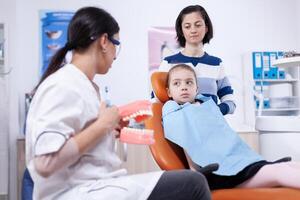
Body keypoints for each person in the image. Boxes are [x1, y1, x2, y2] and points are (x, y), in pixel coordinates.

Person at [25, 6, 211, 200]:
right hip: (77, 192)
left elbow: (79, 138)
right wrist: (102, 125)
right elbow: (45, 163)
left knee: (192, 181)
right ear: (104, 41)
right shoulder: (63, 85)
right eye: (117, 45)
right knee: (193, 184)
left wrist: (108, 130)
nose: (115, 55)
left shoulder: (84, 86)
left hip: (96, 186)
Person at [162, 63, 300, 190]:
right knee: (280, 171)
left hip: (239, 161)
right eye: (177, 84)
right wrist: (196, 175)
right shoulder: (176, 113)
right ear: (169, 92)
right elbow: (188, 143)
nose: (184, 86)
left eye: (189, 82)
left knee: (291, 165)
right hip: (220, 173)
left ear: (196, 89)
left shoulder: (205, 106)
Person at [158, 5, 235, 115]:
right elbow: (156, 101)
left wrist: (212, 111)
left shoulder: (216, 64)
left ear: (206, 28)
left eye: (198, 25)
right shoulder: (168, 63)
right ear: (181, 30)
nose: (193, 30)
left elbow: (230, 102)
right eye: (187, 26)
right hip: (179, 128)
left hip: (210, 128)